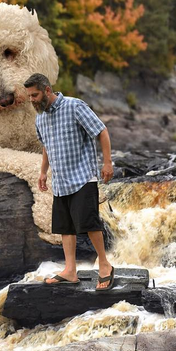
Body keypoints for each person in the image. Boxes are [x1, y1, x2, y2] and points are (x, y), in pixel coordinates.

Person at [24, 73, 115, 291]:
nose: (32, 100)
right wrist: (43, 171)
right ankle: (70, 271)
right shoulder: (40, 118)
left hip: (83, 176)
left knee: (89, 223)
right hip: (61, 181)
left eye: (34, 95)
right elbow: (46, 145)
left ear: (47, 90)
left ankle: (105, 265)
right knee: (66, 227)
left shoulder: (75, 106)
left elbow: (101, 130)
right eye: (29, 96)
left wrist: (108, 162)